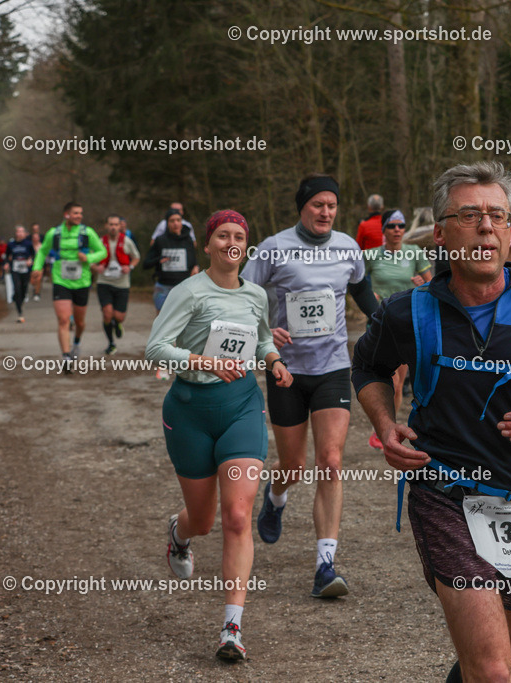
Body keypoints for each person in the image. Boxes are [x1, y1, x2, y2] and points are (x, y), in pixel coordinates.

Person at [352, 162, 511, 681]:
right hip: (446, 492)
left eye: (497, 214)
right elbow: (368, 367)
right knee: (495, 670)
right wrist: (385, 424)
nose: (487, 226)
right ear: (444, 232)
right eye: (469, 214)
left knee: (490, 659)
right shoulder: (407, 311)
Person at [146, 209, 291, 661]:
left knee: (237, 516)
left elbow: (263, 338)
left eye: (240, 236)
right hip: (190, 410)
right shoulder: (188, 292)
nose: (232, 241)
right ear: (208, 244)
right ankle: (179, 533)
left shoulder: (255, 294)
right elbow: (155, 348)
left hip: (242, 407)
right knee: (204, 520)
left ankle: (232, 628)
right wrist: (206, 361)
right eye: (223, 235)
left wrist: (273, 361)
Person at [242, 173, 379, 598]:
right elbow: (243, 296)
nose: (325, 212)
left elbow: (364, 296)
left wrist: (394, 327)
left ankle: (325, 565)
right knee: (293, 466)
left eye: (332, 206)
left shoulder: (348, 247)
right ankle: (276, 496)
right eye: (318, 204)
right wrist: (267, 332)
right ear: (302, 206)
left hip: (334, 366)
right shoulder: (273, 248)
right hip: (286, 370)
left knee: (332, 461)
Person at [362, 208, 433, 449]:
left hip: (406, 324)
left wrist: (422, 283)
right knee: (385, 376)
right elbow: (357, 284)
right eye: (391, 226)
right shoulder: (371, 255)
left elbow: (433, 285)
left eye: (401, 226)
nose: (397, 230)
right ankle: (380, 427)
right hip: (379, 323)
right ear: (383, 229)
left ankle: (386, 426)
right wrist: (367, 295)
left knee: (398, 383)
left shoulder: (414, 252)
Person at [30, 203, 107, 369]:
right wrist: (37, 268)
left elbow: (103, 252)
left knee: (79, 322)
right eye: (75, 213)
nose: (79, 216)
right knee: (64, 319)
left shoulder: (88, 232)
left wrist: (89, 258)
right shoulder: (54, 233)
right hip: (60, 280)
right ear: (66, 215)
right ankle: (66, 357)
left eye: (80, 213)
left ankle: (77, 343)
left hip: (82, 281)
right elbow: (43, 251)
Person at [92, 214, 141, 354]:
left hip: (122, 284)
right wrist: (96, 268)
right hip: (104, 283)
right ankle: (111, 343)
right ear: (106, 226)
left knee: (119, 316)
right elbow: (91, 261)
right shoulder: (100, 242)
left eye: (116, 224)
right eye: (110, 224)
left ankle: (117, 323)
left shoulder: (127, 241)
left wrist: (129, 267)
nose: (113, 227)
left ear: (120, 226)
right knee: (107, 314)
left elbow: (136, 257)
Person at [143, 208, 198, 313]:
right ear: (167, 223)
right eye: (172, 221)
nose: (176, 223)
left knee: (182, 319)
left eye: (178, 220)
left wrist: (196, 266)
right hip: (164, 286)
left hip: (184, 286)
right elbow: (146, 264)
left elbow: (193, 259)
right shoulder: (160, 240)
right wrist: (159, 260)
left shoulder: (188, 240)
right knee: (161, 319)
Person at [4, 225, 36, 323]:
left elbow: (34, 255)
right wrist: (6, 263)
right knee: (17, 288)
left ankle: (17, 299)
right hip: (15, 269)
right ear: (16, 233)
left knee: (24, 289)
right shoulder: (11, 244)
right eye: (18, 231)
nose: (20, 233)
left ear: (25, 233)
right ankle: (20, 313)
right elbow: (6, 256)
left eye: (22, 231)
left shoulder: (28, 244)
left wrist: (31, 260)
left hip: (25, 269)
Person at [30, 224, 43, 300]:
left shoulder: (41, 246)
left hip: (40, 265)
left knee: (38, 279)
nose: (35, 239)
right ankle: (34, 289)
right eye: (34, 238)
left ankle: (37, 293)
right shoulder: (30, 246)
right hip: (32, 264)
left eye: (37, 237)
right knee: (32, 281)